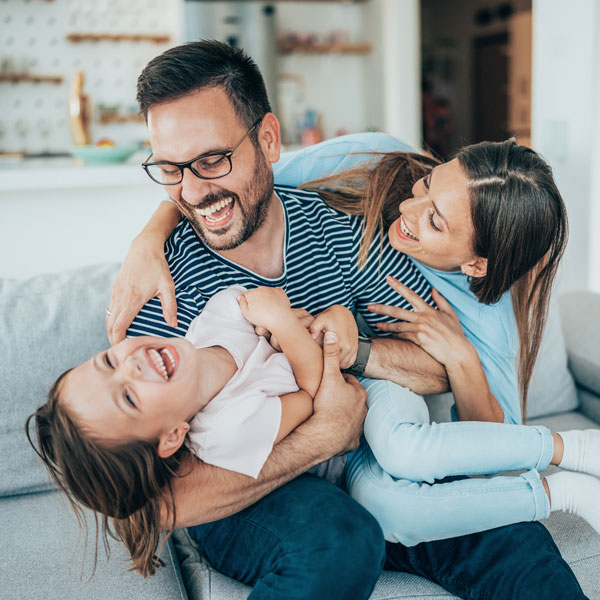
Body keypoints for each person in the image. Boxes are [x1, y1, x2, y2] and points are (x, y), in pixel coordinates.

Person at [100, 40, 587, 599]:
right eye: (169, 168)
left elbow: (433, 367)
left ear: (267, 140)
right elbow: (154, 499)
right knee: (339, 538)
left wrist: (359, 348)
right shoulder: (158, 286)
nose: (192, 191)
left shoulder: (339, 232)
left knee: (512, 539)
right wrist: (322, 435)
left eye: (212, 160)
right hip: (253, 497)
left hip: (364, 470)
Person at [27, 285, 349, 576]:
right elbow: (309, 396)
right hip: (342, 460)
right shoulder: (227, 429)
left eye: (110, 363)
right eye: (128, 398)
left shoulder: (212, 318)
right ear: (171, 437)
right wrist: (282, 324)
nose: (131, 366)